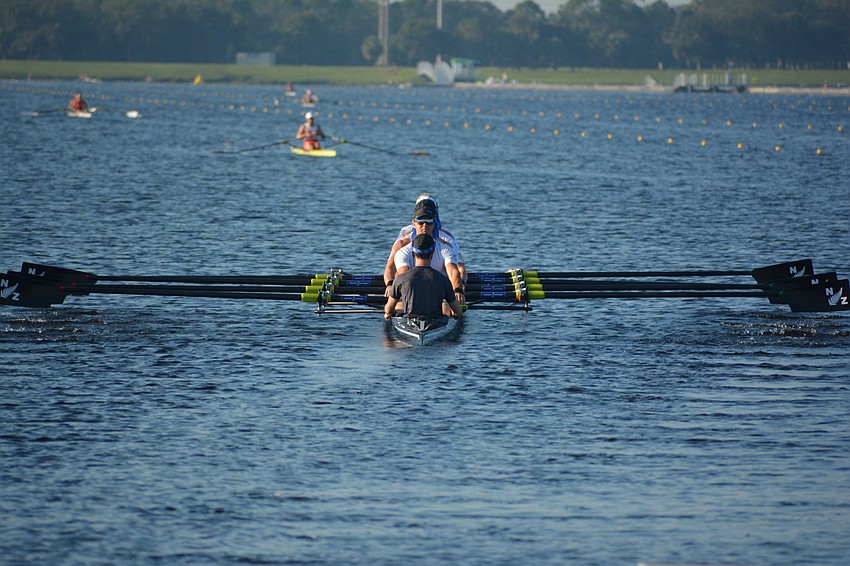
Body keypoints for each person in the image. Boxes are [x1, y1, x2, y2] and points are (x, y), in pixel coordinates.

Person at [387, 200, 465, 313]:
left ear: (434, 223)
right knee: (399, 306)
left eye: (428, 221)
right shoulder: (403, 251)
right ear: (414, 223)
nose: (424, 225)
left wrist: (458, 290)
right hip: (411, 293)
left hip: (438, 294)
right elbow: (406, 276)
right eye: (421, 221)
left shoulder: (445, 249)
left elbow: (453, 272)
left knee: (446, 308)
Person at [384, 234, 463, 321]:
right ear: (432, 252)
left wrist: (391, 313)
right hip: (435, 322)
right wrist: (455, 314)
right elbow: (458, 311)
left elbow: (388, 309)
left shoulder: (400, 279)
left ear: (413, 254)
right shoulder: (443, 279)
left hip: (409, 323)